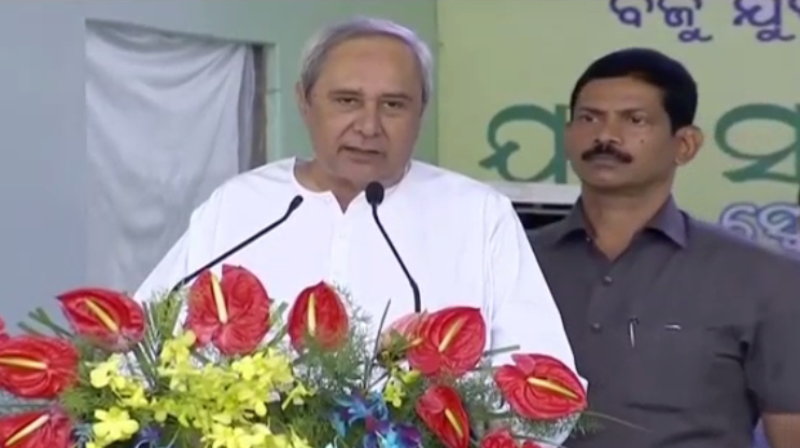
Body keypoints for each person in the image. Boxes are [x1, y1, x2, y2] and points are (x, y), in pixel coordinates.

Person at [135, 17, 580, 444]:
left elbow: (546, 391)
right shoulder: (240, 207)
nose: (369, 127)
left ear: (421, 111)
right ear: (304, 101)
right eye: (347, 101)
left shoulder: (478, 215)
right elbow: (137, 354)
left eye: (393, 105)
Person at [529, 48, 800, 448]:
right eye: (589, 118)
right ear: (568, 135)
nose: (605, 136)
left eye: (634, 120)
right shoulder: (512, 261)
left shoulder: (764, 277)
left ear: (685, 144)